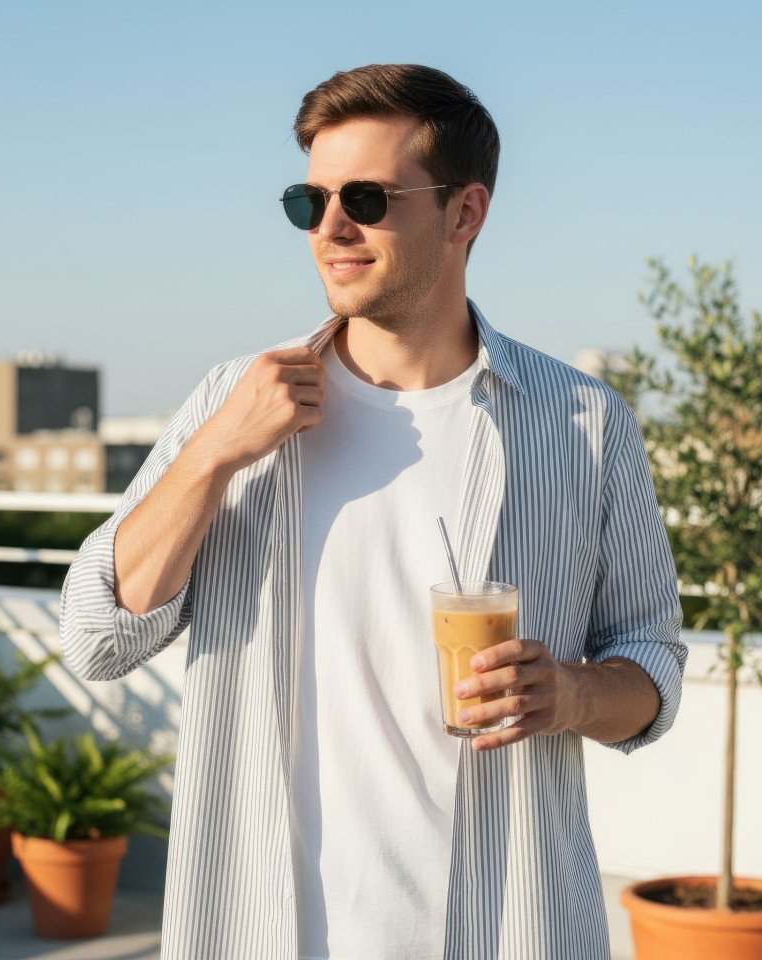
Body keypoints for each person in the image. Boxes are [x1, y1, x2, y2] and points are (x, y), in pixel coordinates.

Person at [60, 63, 686, 960]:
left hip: (502, 923)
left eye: (364, 197)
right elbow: (97, 637)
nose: (330, 228)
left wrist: (576, 692)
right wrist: (217, 451)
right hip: (264, 923)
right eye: (306, 201)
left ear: (464, 213)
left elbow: (652, 656)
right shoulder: (231, 400)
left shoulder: (582, 421)